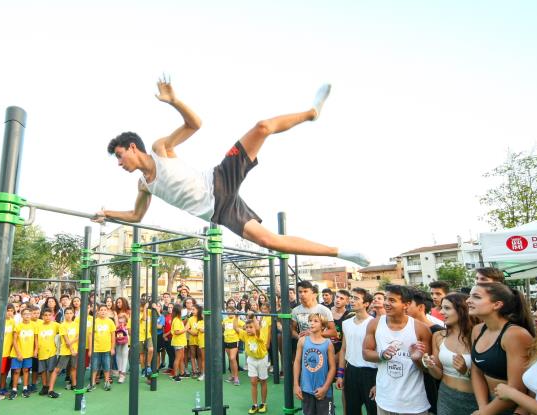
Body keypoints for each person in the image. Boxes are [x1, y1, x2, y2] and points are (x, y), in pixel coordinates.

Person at [96, 78, 368, 263]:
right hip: (220, 211)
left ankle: (311, 113)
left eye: (119, 156)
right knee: (268, 241)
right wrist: (107, 213)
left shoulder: (160, 149)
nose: (120, 163)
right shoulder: (143, 185)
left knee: (262, 127)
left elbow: (195, 124)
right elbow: (136, 215)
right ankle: (341, 252)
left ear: (132, 147)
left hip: (219, 179)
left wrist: (174, 101)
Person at [423, 293, 498, 415]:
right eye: (441, 308)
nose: (441, 312)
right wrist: (430, 365)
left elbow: (488, 376)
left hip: (475, 403)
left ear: (462, 310)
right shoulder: (438, 336)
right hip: (446, 401)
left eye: (447, 308)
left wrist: (466, 370)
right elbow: (438, 375)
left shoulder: (479, 335)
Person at [363, 285, 433, 415]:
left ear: (407, 304)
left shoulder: (420, 329)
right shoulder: (375, 324)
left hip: (413, 402)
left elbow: (428, 369)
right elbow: (366, 353)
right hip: (385, 399)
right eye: (386, 298)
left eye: (392, 300)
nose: (386, 303)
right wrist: (382, 355)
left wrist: (417, 357)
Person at [468, 282, 533, 415]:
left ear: (497, 304)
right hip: (491, 410)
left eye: (477, 297)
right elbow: (477, 371)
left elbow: (517, 388)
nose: (468, 300)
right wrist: (485, 412)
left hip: (517, 414)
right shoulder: (478, 330)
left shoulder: (515, 335)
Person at [337, 288, 388, 415]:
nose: (352, 301)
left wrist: (378, 380)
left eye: (356, 299)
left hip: (371, 373)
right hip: (351, 372)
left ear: (366, 303)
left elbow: (379, 352)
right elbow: (343, 349)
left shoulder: (374, 324)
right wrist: (341, 374)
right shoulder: (347, 323)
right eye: (352, 298)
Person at [294, 313, 337, 415]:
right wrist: (296, 384)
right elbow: (297, 362)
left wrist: (325, 387)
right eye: (310, 321)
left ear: (323, 325)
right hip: (307, 388)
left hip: (323, 390)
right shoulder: (302, 341)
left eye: (315, 321)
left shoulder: (327, 344)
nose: (311, 324)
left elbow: (332, 368)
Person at [236, 313, 270, 414]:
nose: (249, 329)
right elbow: (236, 328)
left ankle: (263, 403)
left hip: (262, 359)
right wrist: (236, 317)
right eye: (247, 327)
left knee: (263, 381)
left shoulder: (259, 335)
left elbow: (258, 329)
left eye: (251, 327)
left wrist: (253, 317)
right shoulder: (245, 335)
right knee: (253, 382)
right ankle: (255, 404)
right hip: (251, 360)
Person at [9, 307, 38, 400]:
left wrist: (35, 350)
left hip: (28, 353)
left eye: (29, 314)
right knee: (17, 371)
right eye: (25, 314)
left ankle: (25, 388)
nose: (27, 315)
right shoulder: (18, 326)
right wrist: (18, 353)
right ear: (22, 315)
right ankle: (14, 389)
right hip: (17, 353)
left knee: (26, 370)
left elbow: (36, 340)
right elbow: (14, 340)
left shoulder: (34, 325)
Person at [89, 304, 116, 392]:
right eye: (101, 310)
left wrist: (112, 348)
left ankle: (107, 382)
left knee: (107, 367)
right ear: (98, 311)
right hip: (96, 349)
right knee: (94, 367)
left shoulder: (110, 322)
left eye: (105, 310)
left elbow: (113, 337)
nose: (103, 311)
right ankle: (92, 383)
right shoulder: (94, 321)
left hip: (106, 349)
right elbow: (90, 336)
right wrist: (90, 349)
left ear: (107, 311)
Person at [36, 309, 59, 397]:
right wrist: (36, 349)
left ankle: (50, 386)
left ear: (52, 316)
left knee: (51, 370)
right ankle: (44, 386)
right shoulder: (39, 326)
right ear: (42, 316)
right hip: (41, 352)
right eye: (45, 315)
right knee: (43, 370)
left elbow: (64, 330)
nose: (47, 317)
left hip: (52, 352)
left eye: (49, 315)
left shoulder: (55, 325)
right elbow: (36, 338)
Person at [54, 307, 79, 389]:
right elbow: (66, 339)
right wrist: (71, 348)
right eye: (67, 313)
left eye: (70, 313)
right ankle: (50, 387)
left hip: (74, 350)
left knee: (73, 367)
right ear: (64, 314)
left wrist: (72, 348)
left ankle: (74, 384)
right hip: (65, 351)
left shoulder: (76, 324)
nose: (69, 315)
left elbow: (78, 336)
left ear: (73, 314)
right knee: (58, 369)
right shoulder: (62, 325)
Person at [0, 304, 16, 400]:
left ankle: (2, 388)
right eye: (7, 310)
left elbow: (14, 337)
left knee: (5, 371)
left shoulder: (13, 322)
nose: (9, 313)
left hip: (8, 352)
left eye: (11, 311)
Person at [223, 307, 244, 385]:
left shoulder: (237, 319)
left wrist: (239, 330)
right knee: (230, 359)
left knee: (232, 358)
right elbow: (223, 328)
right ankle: (232, 376)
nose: (229, 313)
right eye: (227, 312)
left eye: (230, 312)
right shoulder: (225, 320)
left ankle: (236, 377)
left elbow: (244, 325)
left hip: (234, 341)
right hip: (226, 340)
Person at [170, 304, 188, 381]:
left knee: (181, 358)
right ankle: (176, 375)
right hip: (178, 342)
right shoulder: (176, 320)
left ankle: (181, 372)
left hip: (180, 341)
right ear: (178, 311)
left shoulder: (178, 319)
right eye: (181, 310)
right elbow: (177, 332)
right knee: (178, 358)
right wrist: (186, 329)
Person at [114, 313, 130, 384]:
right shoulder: (117, 323)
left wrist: (124, 327)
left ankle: (122, 373)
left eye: (123, 319)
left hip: (125, 339)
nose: (121, 321)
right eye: (120, 318)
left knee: (124, 354)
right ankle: (120, 371)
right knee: (118, 354)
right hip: (118, 338)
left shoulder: (127, 324)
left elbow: (129, 331)